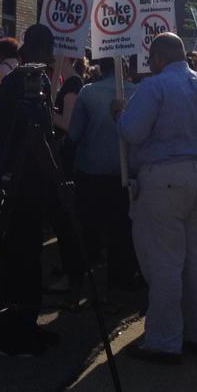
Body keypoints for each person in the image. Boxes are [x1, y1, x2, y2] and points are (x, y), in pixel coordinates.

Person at [115, 33, 197, 364]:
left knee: (165, 260)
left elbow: (132, 132)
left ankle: (165, 341)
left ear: (157, 58)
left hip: (165, 176)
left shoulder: (154, 87)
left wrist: (120, 116)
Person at [0, 24, 77, 356]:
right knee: (22, 259)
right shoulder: (25, 83)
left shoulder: (13, 81)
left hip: (13, 177)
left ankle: (22, 325)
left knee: (21, 257)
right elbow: (39, 136)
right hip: (23, 182)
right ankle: (14, 334)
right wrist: (57, 176)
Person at [68, 57, 139, 294]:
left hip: (92, 171)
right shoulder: (139, 93)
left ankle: (81, 281)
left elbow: (75, 133)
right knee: (121, 232)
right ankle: (117, 285)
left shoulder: (88, 92)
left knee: (88, 229)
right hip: (125, 173)